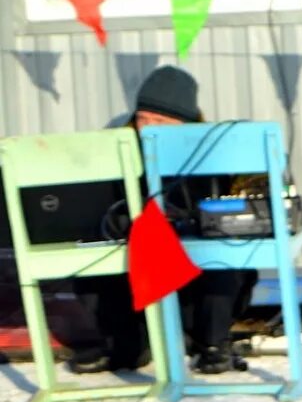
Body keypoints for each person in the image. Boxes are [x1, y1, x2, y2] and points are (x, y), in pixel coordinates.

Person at [67, 66, 259, 375]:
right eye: (143, 119)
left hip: (195, 272)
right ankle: (126, 346)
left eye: (161, 122)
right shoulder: (115, 148)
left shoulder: (214, 149)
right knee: (91, 255)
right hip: (137, 268)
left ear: (186, 123)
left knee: (227, 252)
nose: (148, 130)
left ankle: (212, 343)